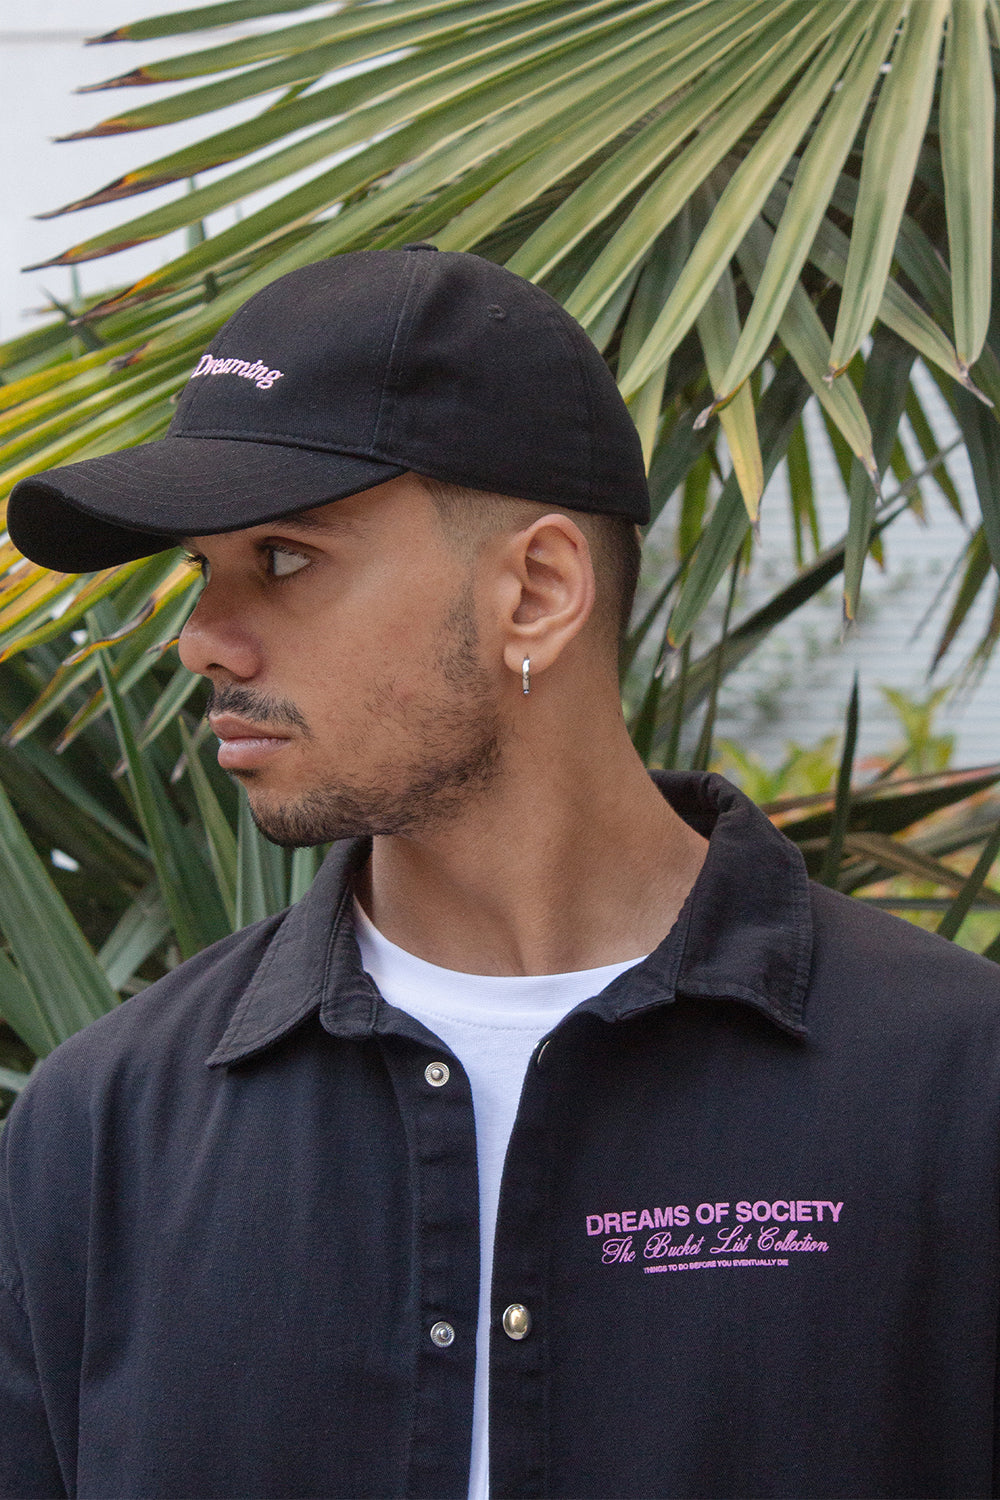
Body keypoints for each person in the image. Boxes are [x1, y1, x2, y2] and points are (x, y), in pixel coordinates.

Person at [2, 244, 1000, 1500]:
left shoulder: (956, 1085)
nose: (205, 639)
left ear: (536, 590)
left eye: (286, 558)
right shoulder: (100, 1131)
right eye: (204, 569)